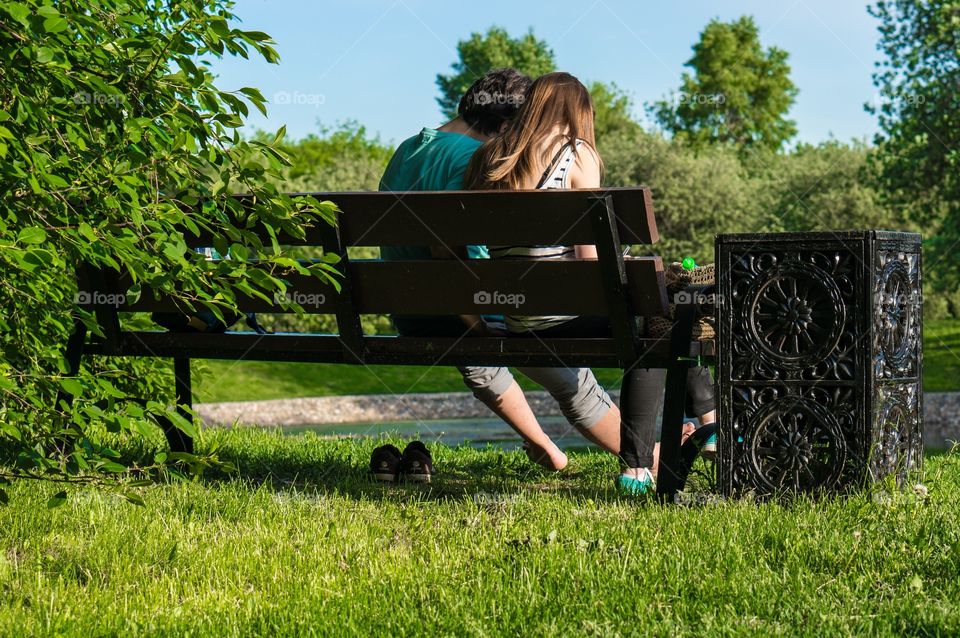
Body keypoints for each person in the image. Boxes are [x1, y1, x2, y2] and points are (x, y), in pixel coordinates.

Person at [464, 72, 716, 494]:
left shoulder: (487, 159)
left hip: (518, 318)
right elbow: (588, 260)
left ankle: (705, 427)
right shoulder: (575, 153)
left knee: (664, 318)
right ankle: (642, 464)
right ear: (579, 114)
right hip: (565, 314)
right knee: (658, 326)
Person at [379, 69, 623, 472]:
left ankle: (542, 442)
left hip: (409, 313)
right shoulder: (471, 158)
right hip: (470, 309)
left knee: (490, 340)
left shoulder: (407, 148)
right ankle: (646, 457)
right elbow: (459, 258)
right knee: (566, 369)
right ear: (508, 124)